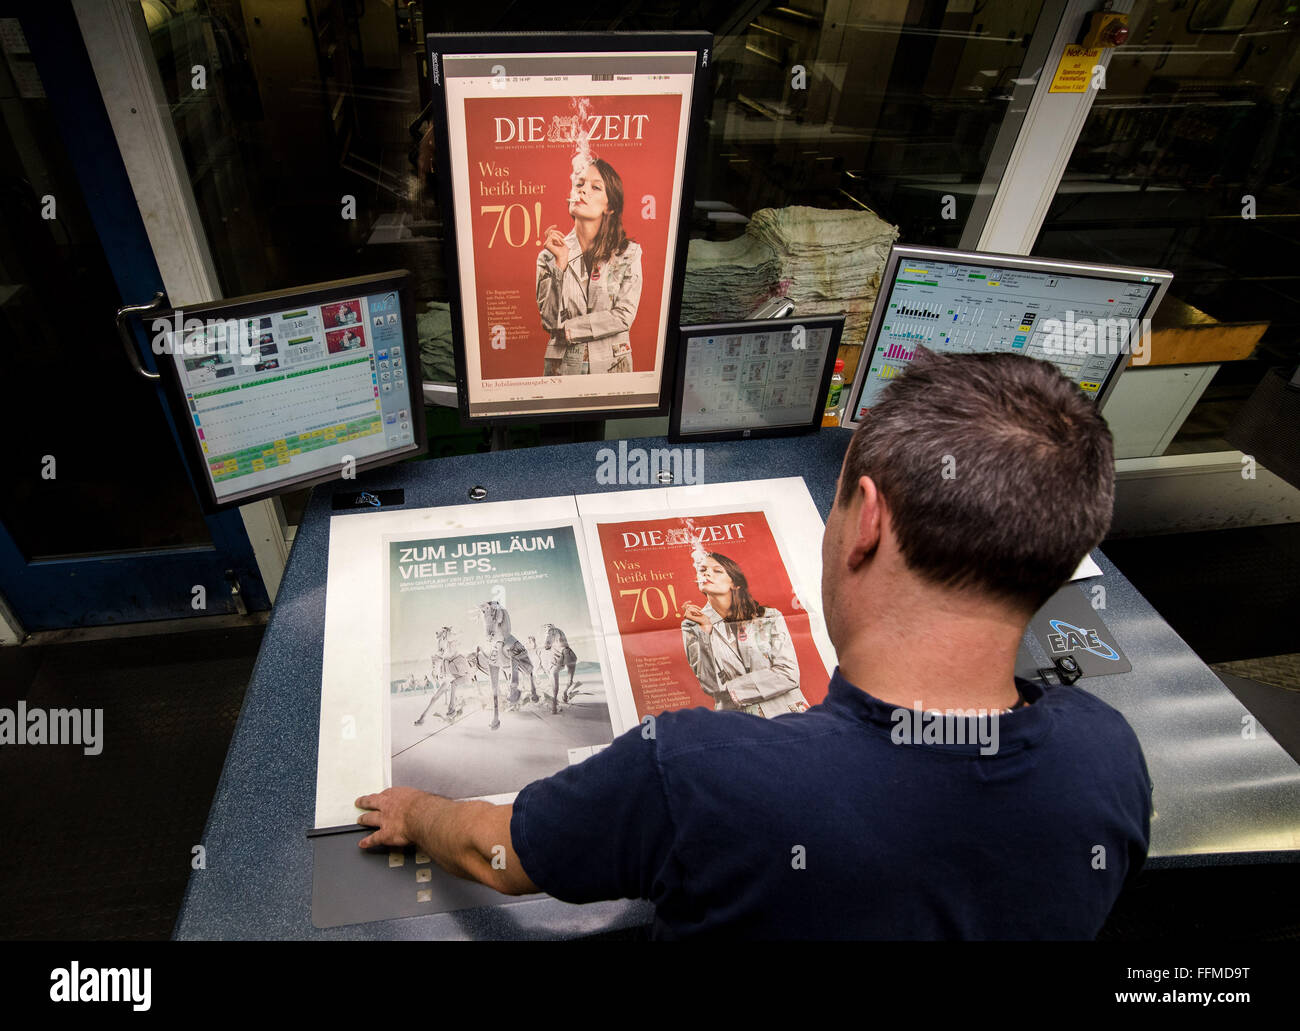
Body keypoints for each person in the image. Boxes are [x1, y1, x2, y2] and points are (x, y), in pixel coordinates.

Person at [356, 347, 1153, 939]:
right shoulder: (1110, 754)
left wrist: (420, 811)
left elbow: (501, 853)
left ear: (867, 520)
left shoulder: (700, 772)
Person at [536, 158, 642, 376]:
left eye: (595, 187)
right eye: (579, 184)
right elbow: (548, 322)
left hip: (613, 367)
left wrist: (570, 329)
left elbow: (623, 316)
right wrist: (560, 265)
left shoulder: (628, 253)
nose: (583, 191)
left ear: (610, 206)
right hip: (562, 370)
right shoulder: (549, 256)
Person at [681, 552, 808, 717]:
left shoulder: (768, 616)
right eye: (702, 569)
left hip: (787, 713)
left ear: (734, 583)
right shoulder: (693, 624)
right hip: (738, 722)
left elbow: (788, 674)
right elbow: (711, 686)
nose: (706, 573)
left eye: (717, 570)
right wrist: (706, 630)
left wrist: (731, 691)